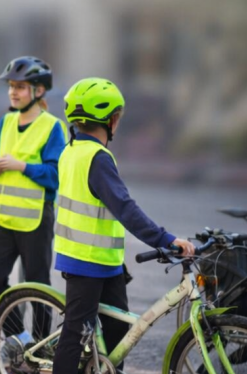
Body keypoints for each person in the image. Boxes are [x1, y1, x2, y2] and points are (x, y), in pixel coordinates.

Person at [50, 78, 195, 374]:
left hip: (105, 262)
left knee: (119, 337)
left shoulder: (72, 150)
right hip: (84, 262)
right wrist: (166, 239)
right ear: (111, 120)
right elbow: (126, 209)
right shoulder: (97, 158)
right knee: (75, 337)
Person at [0, 57, 65, 346]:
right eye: (11, 87)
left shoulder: (52, 127)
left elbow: (56, 176)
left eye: (20, 87)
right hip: (4, 220)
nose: (13, 92)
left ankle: (43, 348)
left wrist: (22, 166)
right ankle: (20, 340)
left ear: (39, 91)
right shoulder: (5, 122)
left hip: (35, 220)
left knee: (39, 289)